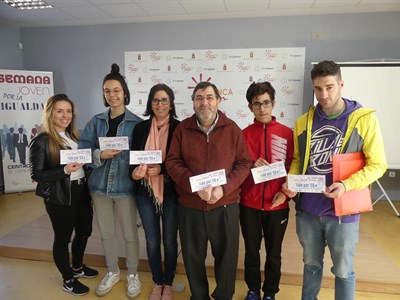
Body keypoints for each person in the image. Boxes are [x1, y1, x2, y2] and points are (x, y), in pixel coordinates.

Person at [282, 60, 387, 300]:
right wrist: (292, 181)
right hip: (308, 210)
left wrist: (346, 185)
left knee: (342, 270)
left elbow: (378, 165)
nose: (324, 95)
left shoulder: (364, 119)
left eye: (329, 87)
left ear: (341, 84)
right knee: (310, 264)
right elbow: (299, 161)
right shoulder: (302, 122)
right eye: (318, 89)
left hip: (344, 213)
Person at [166, 81, 252, 300]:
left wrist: (223, 189)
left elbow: (244, 164)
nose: (205, 103)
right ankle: (200, 296)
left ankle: (224, 296)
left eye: (209, 97)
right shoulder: (181, 130)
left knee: (227, 258)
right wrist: (195, 186)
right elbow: (173, 163)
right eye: (199, 98)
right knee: (193, 258)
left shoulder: (233, 129)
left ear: (218, 101)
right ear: (193, 103)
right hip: (190, 207)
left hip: (225, 206)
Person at [78, 63, 143, 299]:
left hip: (125, 187)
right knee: (106, 234)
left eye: (116, 90)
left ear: (125, 92)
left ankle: (133, 274)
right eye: (107, 91)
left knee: (129, 234)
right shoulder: (95, 122)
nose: (112, 95)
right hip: (99, 187)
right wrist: (99, 155)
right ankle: (113, 270)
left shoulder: (137, 124)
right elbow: (83, 152)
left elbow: (140, 157)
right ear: (103, 94)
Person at [29, 94, 98, 296]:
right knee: (63, 238)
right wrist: (65, 170)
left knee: (84, 231)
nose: (65, 115)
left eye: (68, 111)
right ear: (50, 113)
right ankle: (68, 279)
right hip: (60, 196)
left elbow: (84, 164)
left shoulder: (77, 137)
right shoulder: (41, 141)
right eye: (60, 111)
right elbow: (37, 174)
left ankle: (77, 267)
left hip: (82, 191)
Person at [240, 82, 294, 300]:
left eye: (266, 103)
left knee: (274, 254)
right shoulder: (242, 135)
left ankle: (270, 293)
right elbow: (237, 168)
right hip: (249, 205)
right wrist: (251, 164)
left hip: (277, 204)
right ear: (250, 107)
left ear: (273, 104)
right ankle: (253, 290)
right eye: (256, 104)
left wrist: (286, 193)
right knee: (251, 252)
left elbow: (294, 166)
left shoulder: (287, 133)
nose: (262, 108)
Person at [130, 83, 180, 300]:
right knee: (151, 240)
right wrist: (135, 174)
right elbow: (132, 162)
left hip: (171, 192)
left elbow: (182, 162)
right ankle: (157, 282)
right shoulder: (140, 129)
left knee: (169, 240)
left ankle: (168, 283)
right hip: (145, 192)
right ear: (150, 103)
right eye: (156, 100)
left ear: (171, 104)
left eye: (164, 100)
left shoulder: (180, 128)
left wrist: (163, 169)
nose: (160, 104)